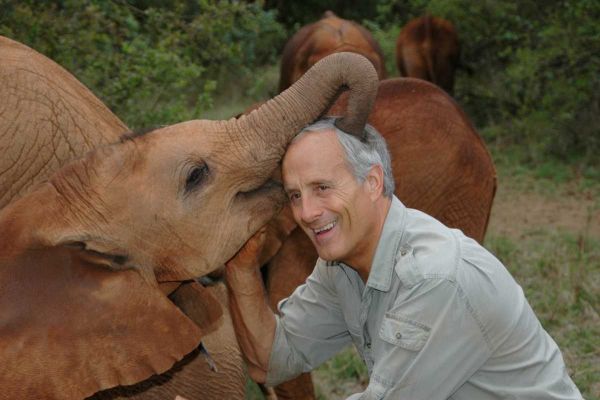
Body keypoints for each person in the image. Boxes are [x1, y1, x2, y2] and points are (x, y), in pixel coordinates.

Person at [224, 117, 582, 399]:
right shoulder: (340, 265)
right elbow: (270, 360)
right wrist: (241, 266)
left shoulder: (434, 277)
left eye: (322, 188)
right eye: (295, 196)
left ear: (373, 181)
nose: (306, 212)